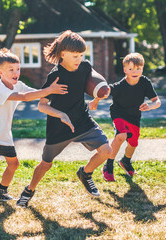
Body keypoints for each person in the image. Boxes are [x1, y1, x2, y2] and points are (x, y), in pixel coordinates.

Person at [16, 30, 112, 207]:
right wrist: (60, 114)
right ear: (62, 54)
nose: (79, 59)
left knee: (107, 150)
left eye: (81, 55)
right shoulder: (55, 75)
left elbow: (96, 84)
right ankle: (29, 190)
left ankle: (85, 173)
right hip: (59, 126)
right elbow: (41, 105)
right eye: (75, 56)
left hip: (82, 121)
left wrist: (98, 98)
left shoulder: (84, 67)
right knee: (45, 165)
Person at [0, 48, 68, 200]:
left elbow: (36, 93)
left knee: (13, 164)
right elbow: (24, 97)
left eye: (17, 69)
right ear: (0, 72)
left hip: (4, 133)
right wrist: (48, 90)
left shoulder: (19, 84)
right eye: (10, 70)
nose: (15, 72)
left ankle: (1, 192)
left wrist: (53, 92)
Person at [89, 52, 161, 181]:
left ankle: (125, 161)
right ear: (125, 70)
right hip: (119, 113)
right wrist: (95, 101)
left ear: (142, 69)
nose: (135, 71)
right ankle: (108, 166)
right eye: (131, 69)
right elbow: (104, 92)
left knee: (133, 143)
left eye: (138, 68)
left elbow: (157, 101)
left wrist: (151, 105)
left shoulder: (145, 82)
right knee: (121, 136)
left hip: (134, 116)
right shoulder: (120, 86)